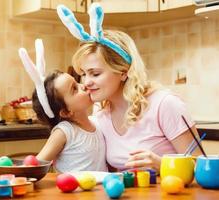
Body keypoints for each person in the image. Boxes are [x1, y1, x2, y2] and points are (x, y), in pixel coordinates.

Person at [57, 3, 201, 171]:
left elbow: (203, 168)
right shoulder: (101, 115)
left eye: (95, 74)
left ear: (123, 72)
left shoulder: (165, 105)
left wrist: (162, 165)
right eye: (84, 73)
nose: (86, 82)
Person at [18, 39, 107, 173]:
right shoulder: (64, 131)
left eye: (77, 83)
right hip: (73, 194)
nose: (83, 85)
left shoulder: (98, 123)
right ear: (66, 112)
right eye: (74, 89)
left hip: (100, 193)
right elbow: (36, 166)